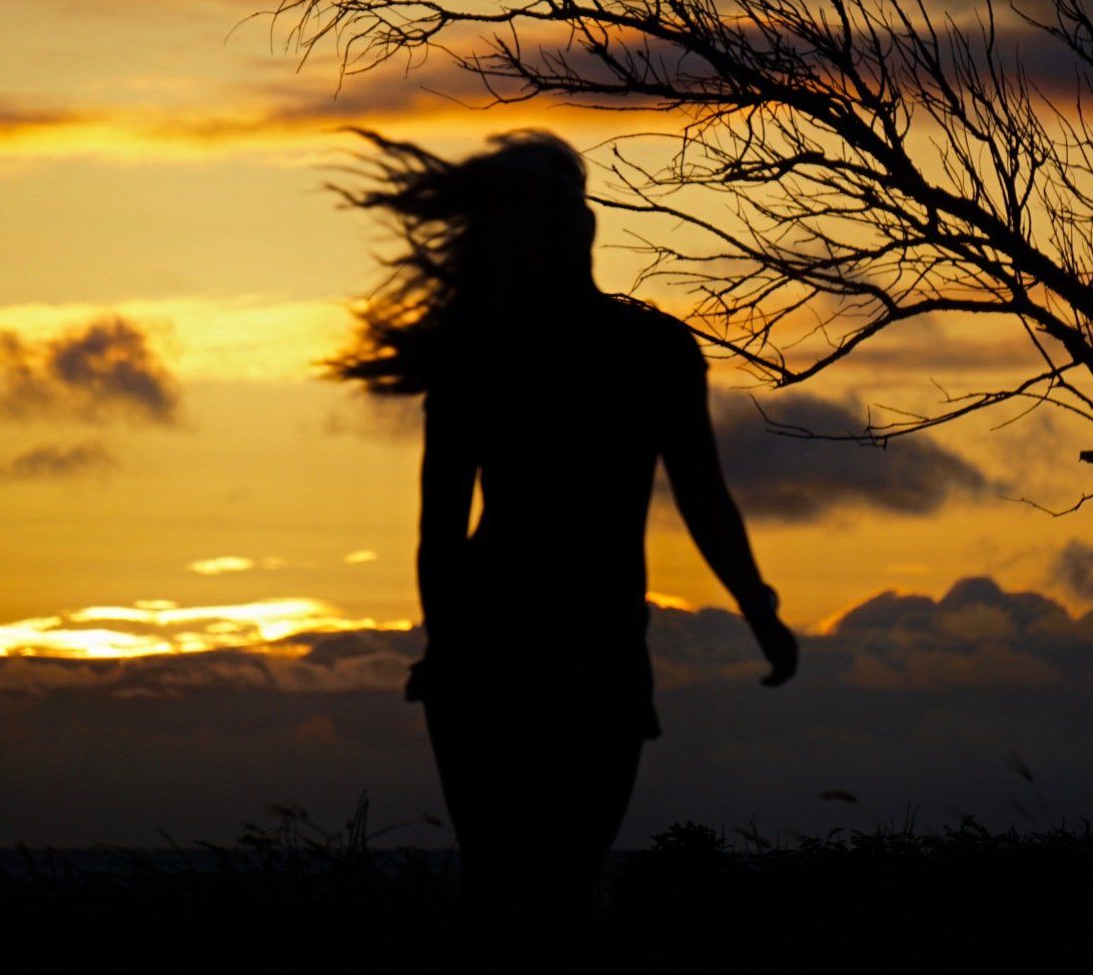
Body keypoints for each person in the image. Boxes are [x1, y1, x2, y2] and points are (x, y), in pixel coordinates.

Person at [331, 128, 798, 960]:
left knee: (507, 894)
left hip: (529, 643)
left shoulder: (489, 351)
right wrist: (756, 609)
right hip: (567, 644)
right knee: (543, 899)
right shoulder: (641, 347)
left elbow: (439, 530)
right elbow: (700, 495)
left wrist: (447, 643)